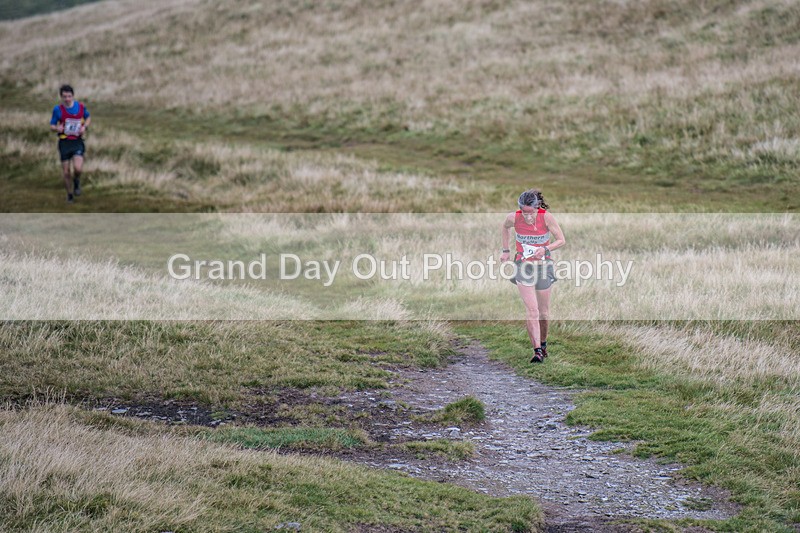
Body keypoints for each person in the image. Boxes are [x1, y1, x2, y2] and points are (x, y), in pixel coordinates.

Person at [500, 189, 566, 363]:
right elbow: (505, 228)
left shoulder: (546, 217)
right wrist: (506, 251)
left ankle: (543, 345)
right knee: (532, 310)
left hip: (544, 267)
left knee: (543, 313)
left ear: (537, 207)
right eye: (524, 212)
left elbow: (561, 240)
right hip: (524, 267)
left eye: (530, 213)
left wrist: (545, 249)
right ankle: (536, 351)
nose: (527, 217)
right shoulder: (513, 218)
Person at [50, 84, 91, 203]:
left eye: (69, 96)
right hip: (64, 143)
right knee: (66, 171)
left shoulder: (81, 107)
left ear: (73, 96)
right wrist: (57, 128)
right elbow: (52, 125)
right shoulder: (58, 110)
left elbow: (88, 118)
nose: (67, 99)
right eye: (64, 97)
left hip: (77, 141)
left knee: (78, 168)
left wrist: (85, 127)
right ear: (61, 97)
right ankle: (69, 195)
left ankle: (77, 181)